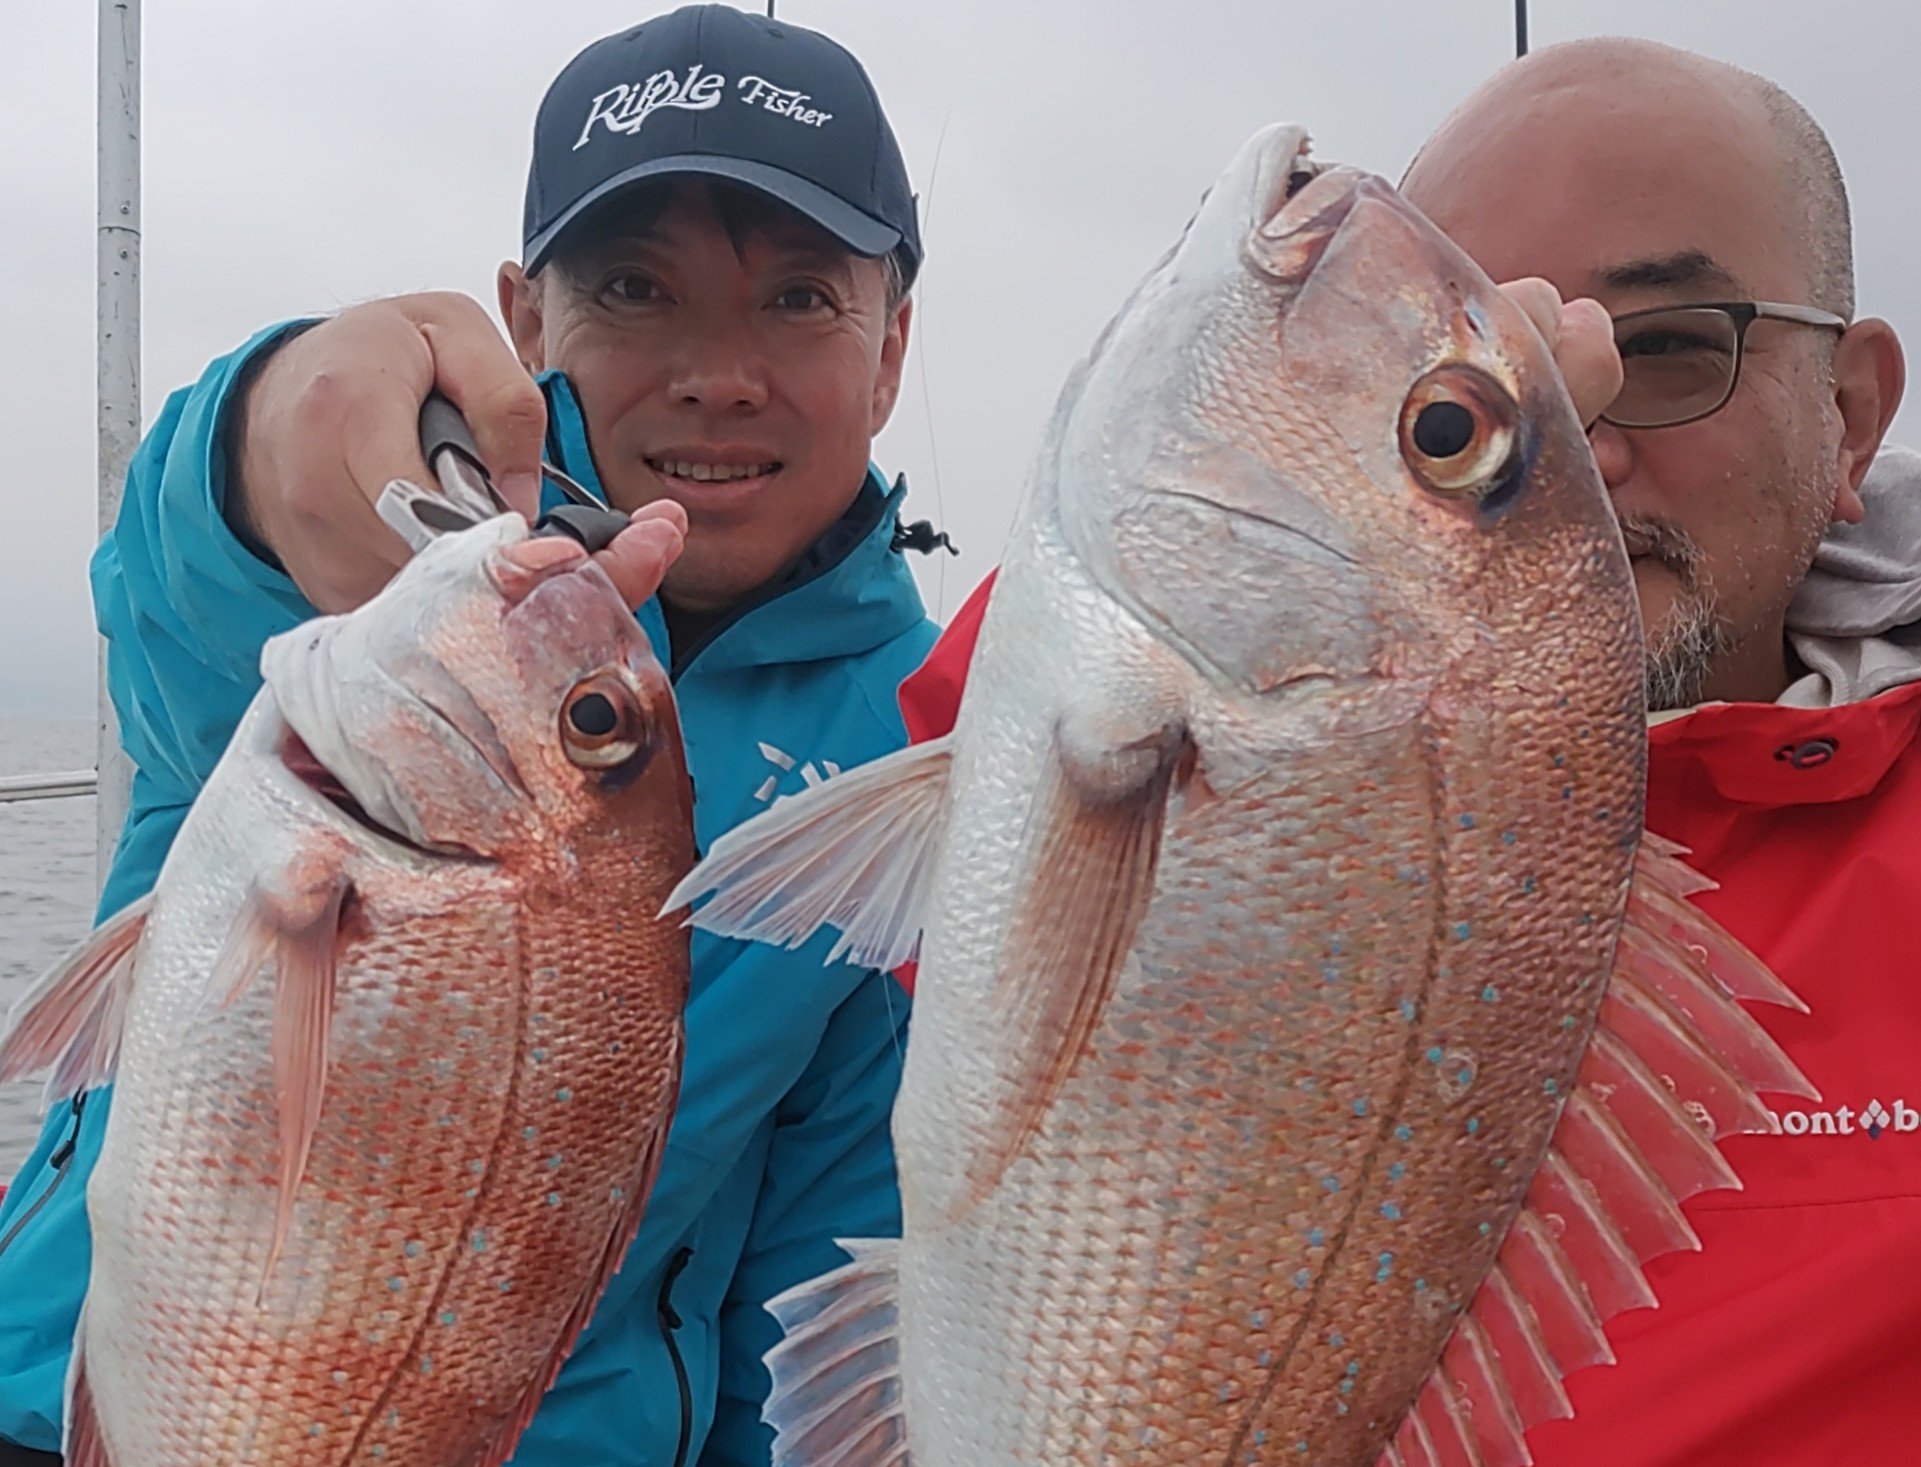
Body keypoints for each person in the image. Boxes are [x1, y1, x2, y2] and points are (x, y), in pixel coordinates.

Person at [898, 37, 1920, 1467]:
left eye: (1678, 341)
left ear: (1849, 416)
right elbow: (609, 888)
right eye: (1470, 381)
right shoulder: (1050, 749)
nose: (1585, 423)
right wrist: (500, 504)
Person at [0, 7, 945, 1465]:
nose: (718, 372)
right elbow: (184, 594)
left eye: (802, 299)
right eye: (635, 288)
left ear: (891, 351)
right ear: (524, 319)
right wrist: (262, 435)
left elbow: (834, 1243)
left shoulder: (922, 749)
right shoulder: (381, 583)